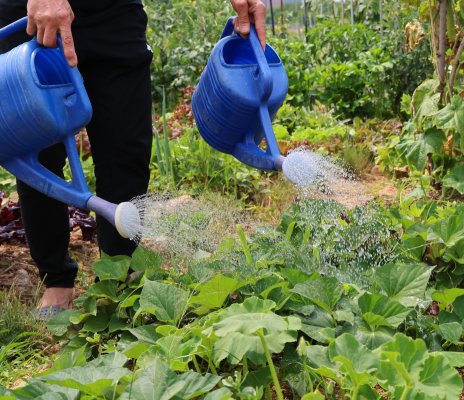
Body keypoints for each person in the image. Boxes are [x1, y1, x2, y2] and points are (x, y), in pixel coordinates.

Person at [0, 0, 267, 319]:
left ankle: (117, 277)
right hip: (32, 14)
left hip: (114, 11)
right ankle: (57, 279)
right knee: (39, 151)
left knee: (127, 147)